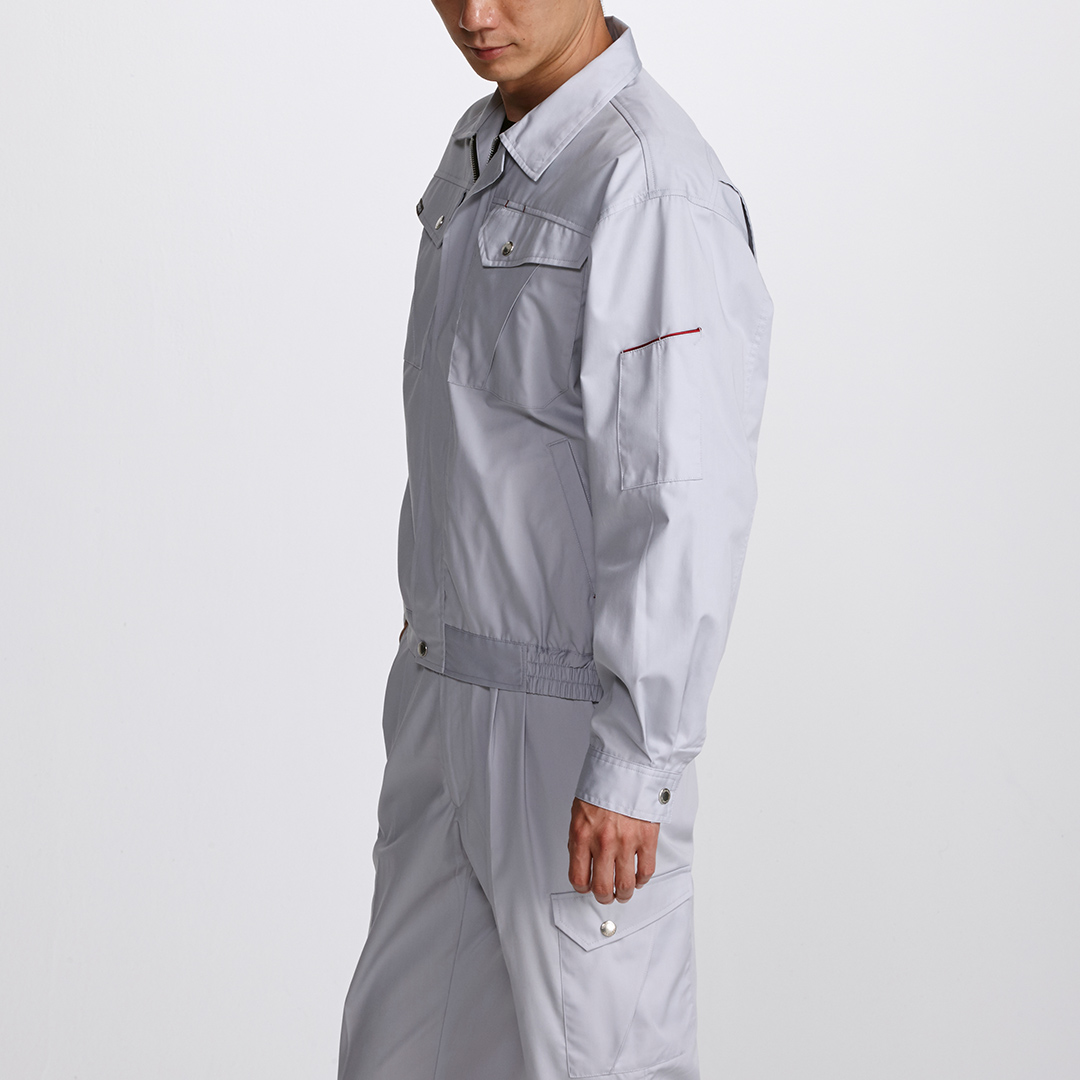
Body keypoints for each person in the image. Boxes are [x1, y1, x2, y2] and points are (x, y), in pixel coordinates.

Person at [338, 2, 772, 1077]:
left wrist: (637, 758)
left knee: (593, 1061)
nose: (475, 15)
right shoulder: (484, 154)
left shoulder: (648, 184)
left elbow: (680, 494)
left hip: (567, 731)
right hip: (443, 701)